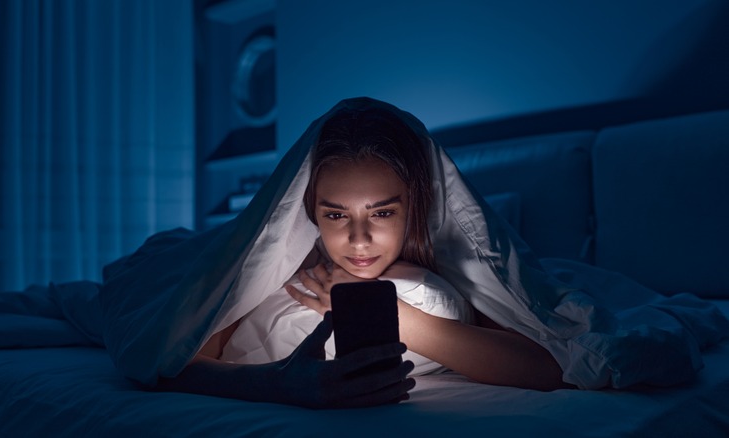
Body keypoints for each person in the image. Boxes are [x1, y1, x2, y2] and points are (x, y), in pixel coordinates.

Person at [155, 100, 568, 408]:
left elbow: (543, 369)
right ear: (310, 211)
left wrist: (380, 310)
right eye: (335, 214)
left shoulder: (452, 261)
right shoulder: (286, 260)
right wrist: (280, 383)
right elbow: (173, 363)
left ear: (416, 205)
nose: (358, 240)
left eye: (383, 212)